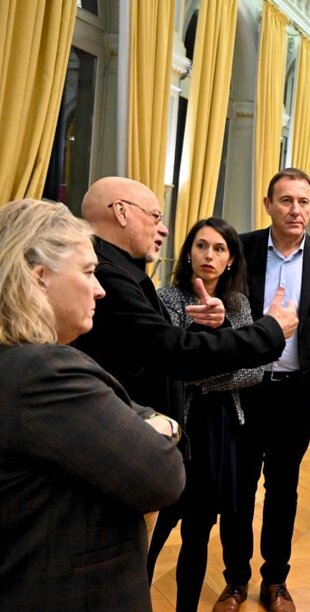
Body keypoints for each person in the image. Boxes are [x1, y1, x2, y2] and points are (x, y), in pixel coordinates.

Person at [72, 176, 298, 579]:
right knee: (134, 553)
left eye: (219, 248)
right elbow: (172, 355)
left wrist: (208, 337)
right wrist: (267, 332)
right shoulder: (120, 279)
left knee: (201, 525)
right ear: (122, 212)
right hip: (142, 436)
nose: (163, 228)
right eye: (156, 216)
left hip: (210, 429)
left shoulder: (226, 300)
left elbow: (235, 369)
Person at [0, 199, 185, 611]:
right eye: (88, 272)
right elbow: (165, 475)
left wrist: (134, 417)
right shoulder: (43, 372)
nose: (100, 288)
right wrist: (162, 425)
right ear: (40, 277)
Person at [214, 168, 310, 612]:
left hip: (297, 396)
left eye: (304, 201)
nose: (296, 209)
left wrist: (304, 363)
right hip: (245, 391)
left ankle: (276, 580)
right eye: (286, 200)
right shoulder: (244, 251)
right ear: (268, 204)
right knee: (238, 487)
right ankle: (235, 581)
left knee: (284, 488)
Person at [156, 218, 264, 611]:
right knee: (159, 525)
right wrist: (221, 357)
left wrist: (204, 372)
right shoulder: (168, 298)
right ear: (188, 252)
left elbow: (254, 371)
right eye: (202, 246)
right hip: (175, 424)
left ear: (232, 259)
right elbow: (173, 367)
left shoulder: (237, 303)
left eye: (220, 249)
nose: (209, 255)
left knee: (199, 528)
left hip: (219, 427)